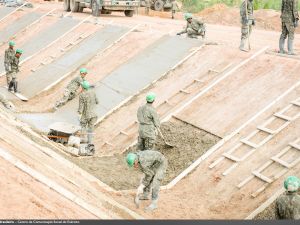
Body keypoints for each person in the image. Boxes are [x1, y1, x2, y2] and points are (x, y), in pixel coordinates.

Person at [78, 80, 99, 145]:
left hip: (86, 115)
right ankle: (90, 142)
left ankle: (82, 141)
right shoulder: (93, 92)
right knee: (90, 128)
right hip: (94, 115)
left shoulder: (81, 95)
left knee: (83, 126)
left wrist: (79, 112)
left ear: (83, 87)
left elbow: (80, 108)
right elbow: (97, 102)